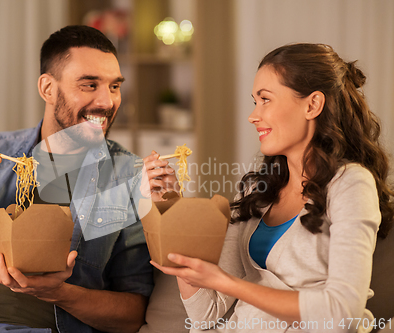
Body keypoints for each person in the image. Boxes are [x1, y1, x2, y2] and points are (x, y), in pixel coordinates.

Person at [0, 25, 177, 333]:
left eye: (114, 86)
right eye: (89, 85)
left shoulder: (128, 178)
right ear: (48, 88)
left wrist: (58, 293)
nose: (107, 102)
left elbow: (132, 315)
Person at [153, 43, 394, 332]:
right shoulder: (256, 191)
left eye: (265, 99)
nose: (253, 116)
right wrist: (172, 209)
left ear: (312, 105)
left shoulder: (351, 184)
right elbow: (206, 313)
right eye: (255, 101)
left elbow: (342, 313)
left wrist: (227, 283)